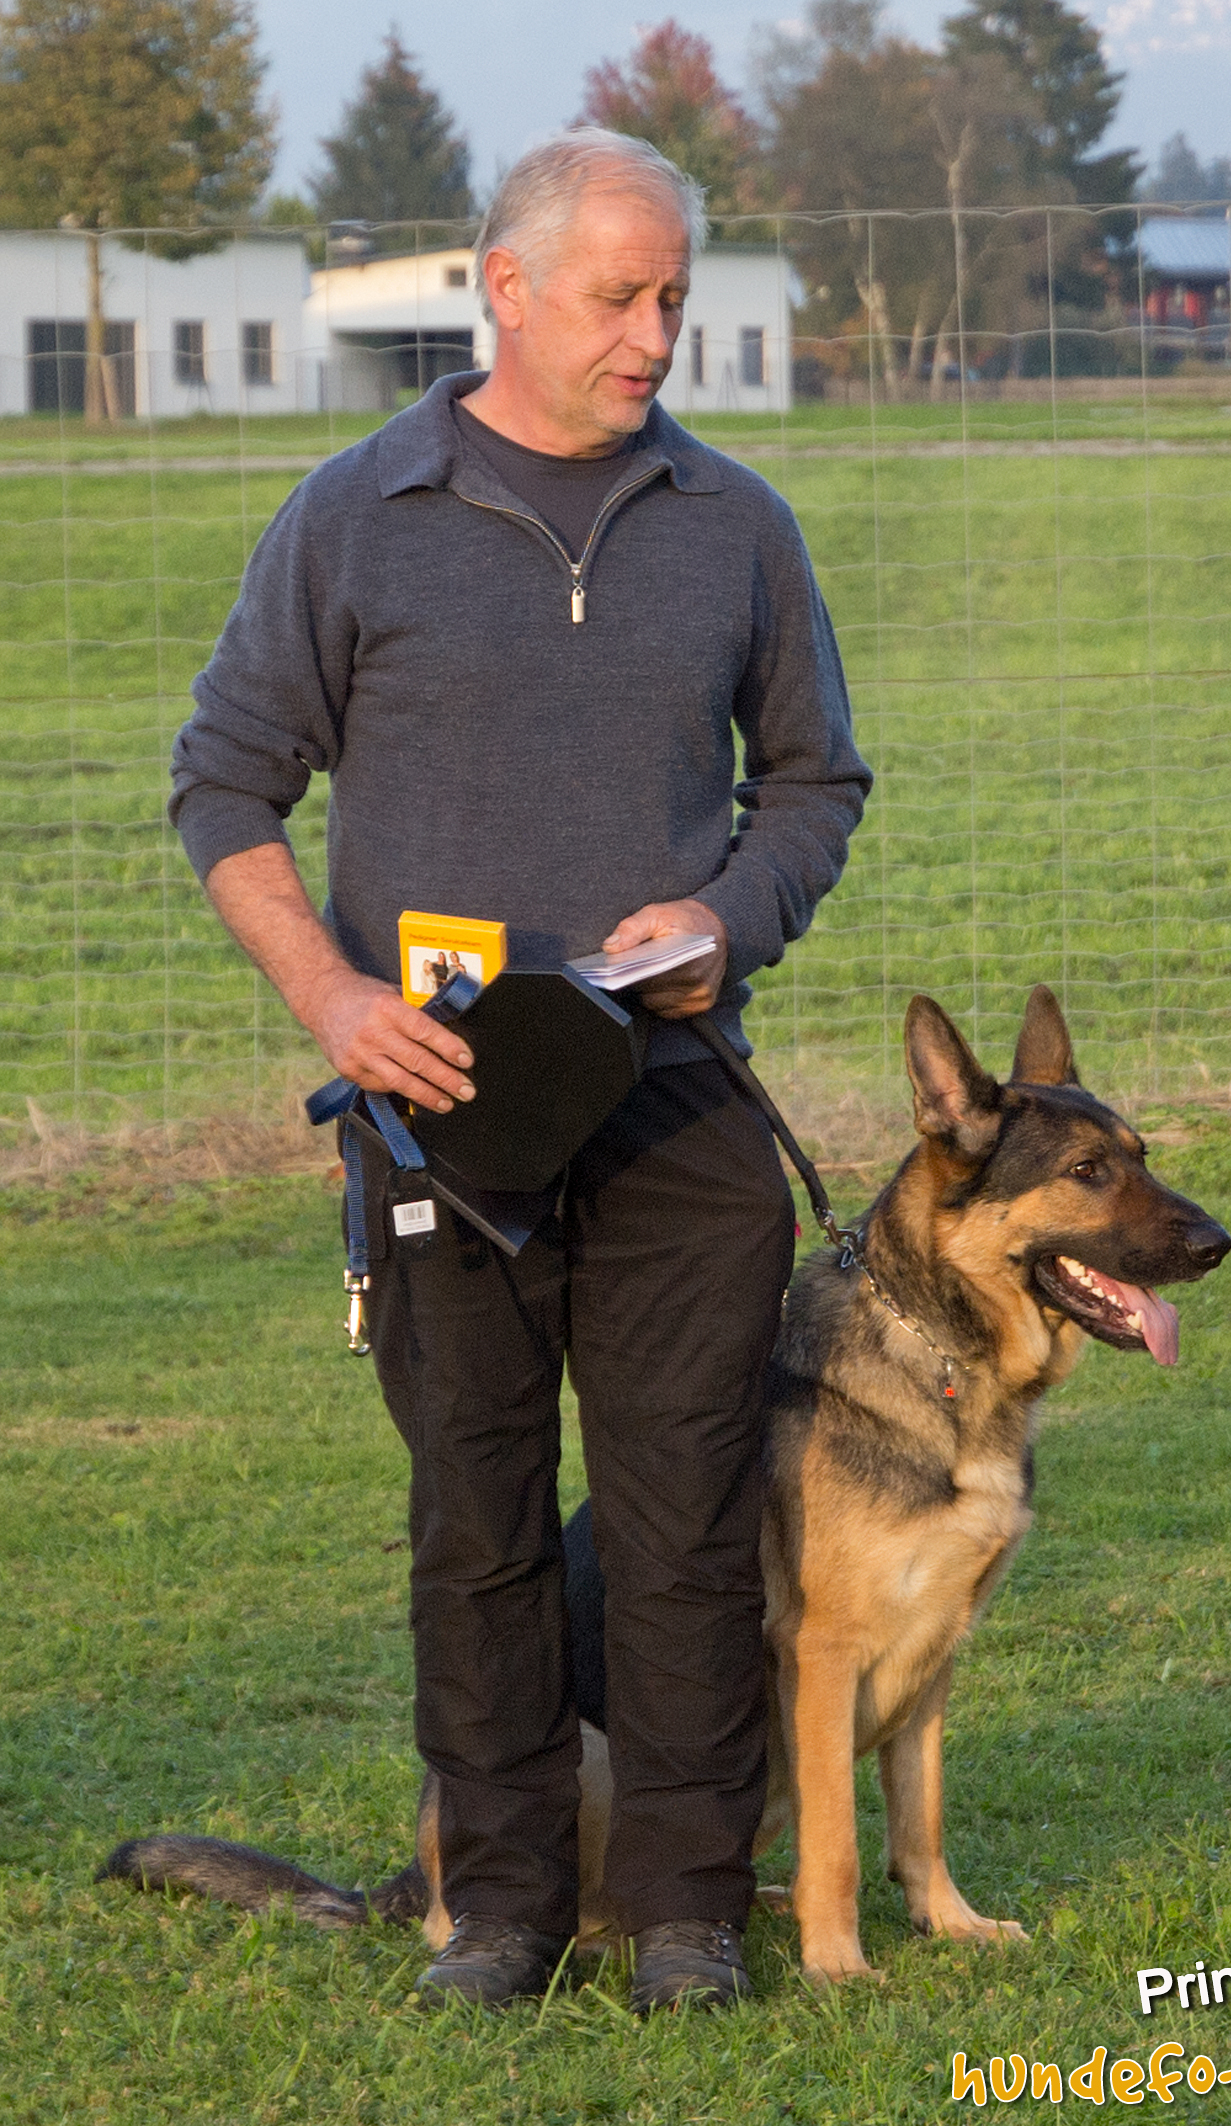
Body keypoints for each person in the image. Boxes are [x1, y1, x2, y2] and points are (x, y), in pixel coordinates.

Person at [168, 128, 870, 2013]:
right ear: (506, 285)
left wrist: (733, 913)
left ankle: (690, 1911)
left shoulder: (736, 523)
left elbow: (815, 784)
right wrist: (335, 1001)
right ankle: (497, 1909)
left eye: (674, 299)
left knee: (685, 1519)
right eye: (620, 296)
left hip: (680, 1099)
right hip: (439, 1115)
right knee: (475, 1520)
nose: (655, 336)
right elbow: (223, 783)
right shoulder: (353, 516)